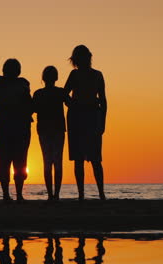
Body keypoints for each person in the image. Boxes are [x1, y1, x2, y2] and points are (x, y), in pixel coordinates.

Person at [64, 45, 107, 200]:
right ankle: (82, 194)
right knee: (79, 158)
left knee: (95, 158)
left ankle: (100, 193)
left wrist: (102, 122)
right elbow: (65, 94)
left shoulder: (97, 75)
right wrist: (73, 104)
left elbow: (103, 100)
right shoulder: (74, 75)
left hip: (92, 117)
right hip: (78, 118)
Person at [0, 59, 32, 202]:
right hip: (19, 127)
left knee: (5, 160)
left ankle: (7, 194)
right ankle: (17, 195)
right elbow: (29, 102)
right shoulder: (23, 84)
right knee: (19, 160)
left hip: (5, 126)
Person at [33, 66, 66, 201]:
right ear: (56, 78)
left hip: (44, 130)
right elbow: (71, 103)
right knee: (57, 161)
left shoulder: (38, 94)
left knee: (47, 161)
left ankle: (50, 195)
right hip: (57, 129)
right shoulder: (60, 92)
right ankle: (56, 194)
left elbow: (32, 108)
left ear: (43, 78)